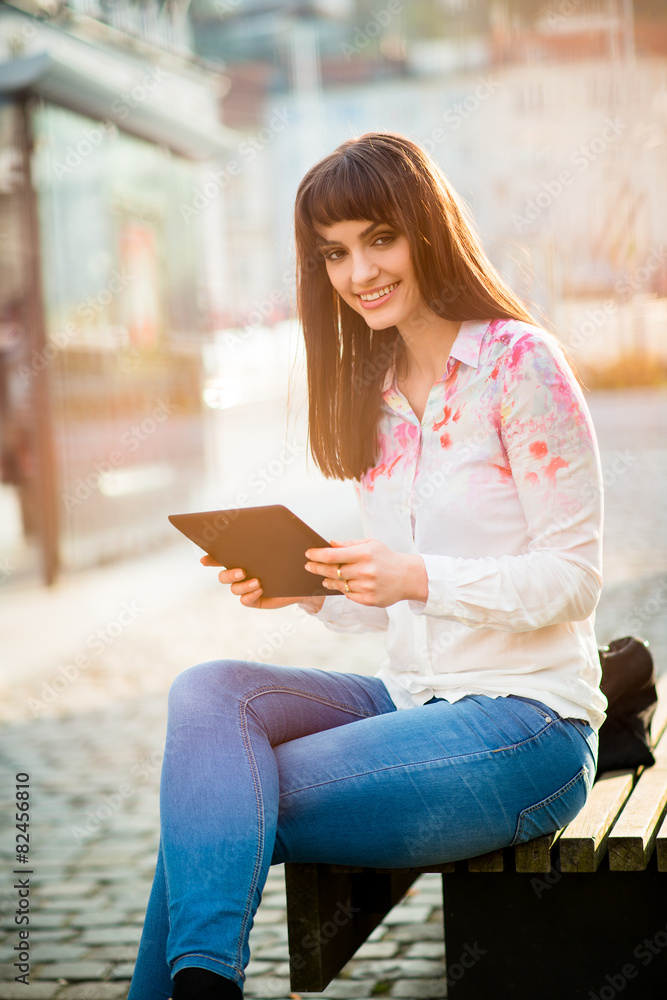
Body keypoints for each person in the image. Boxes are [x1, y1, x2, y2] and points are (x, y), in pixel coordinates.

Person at [128, 132, 605, 1000]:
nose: (359, 272)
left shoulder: (517, 363)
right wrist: (305, 589)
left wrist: (416, 575)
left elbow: (573, 579)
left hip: (528, 724)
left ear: (427, 230)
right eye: (334, 253)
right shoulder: (374, 392)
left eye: (378, 238)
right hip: (414, 698)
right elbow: (389, 603)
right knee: (208, 695)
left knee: (219, 799)